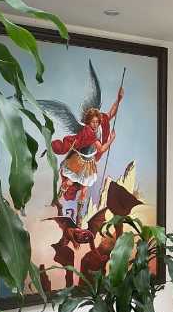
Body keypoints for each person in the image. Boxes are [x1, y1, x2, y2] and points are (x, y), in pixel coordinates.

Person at [51, 86, 124, 226]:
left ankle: (78, 216)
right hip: (79, 161)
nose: (95, 124)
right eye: (93, 122)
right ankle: (57, 199)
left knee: (84, 190)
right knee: (68, 182)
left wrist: (119, 99)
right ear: (88, 122)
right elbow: (101, 148)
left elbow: (110, 113)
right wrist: (111, 140)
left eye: (97, 122)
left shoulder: (100, 124)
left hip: (89, 163)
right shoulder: (88, 133)